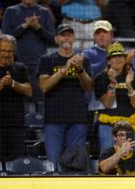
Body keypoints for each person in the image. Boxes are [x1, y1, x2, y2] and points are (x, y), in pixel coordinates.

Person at [37, 24, 93, 164]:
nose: (67, 37)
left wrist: (80, 70)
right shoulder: (47, 60)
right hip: (53, 120)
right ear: (56, 39)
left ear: (74, 39)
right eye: (63, 34)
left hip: (77, 119)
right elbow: (44, 86)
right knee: (53, 163)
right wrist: (65, 68)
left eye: (69, 34)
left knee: (77, 163)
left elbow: (88, 87)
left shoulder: (84, 61)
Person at [2, 0, 55, 106]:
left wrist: (38, 28)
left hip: (38, 63)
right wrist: (24, 26)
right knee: (17, 98)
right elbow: (5, 38)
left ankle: (38, 120)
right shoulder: (10, 11)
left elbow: (53, 38)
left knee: (39, 98)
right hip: (16, 63)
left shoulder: (44, 12)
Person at [95, 42, 135, 152]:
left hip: (129, 125)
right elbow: (107, 104)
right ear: (108, 60)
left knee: (130, 157)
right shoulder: (101, 78)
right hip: (107, 126)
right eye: (114, 57)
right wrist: (112, 84)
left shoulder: (134, 77)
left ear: (125, 58)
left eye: (120, 56)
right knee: (108, 156)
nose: (117, 59)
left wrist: (129, 85)